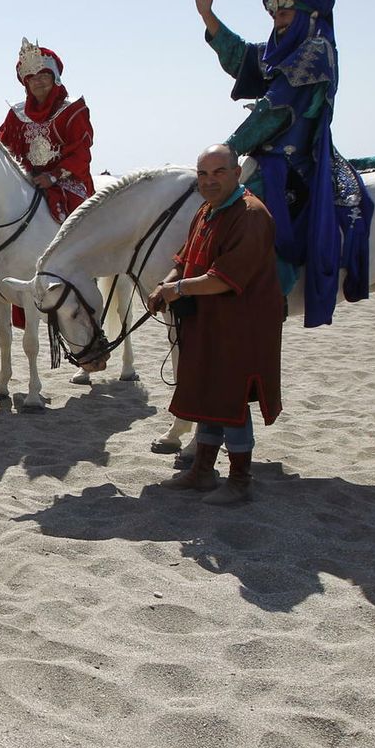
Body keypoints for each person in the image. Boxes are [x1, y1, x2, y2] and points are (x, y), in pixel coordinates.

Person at [190, 0, 369, 327]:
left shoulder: (316, 52)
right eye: (273, 16)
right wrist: (207, 16)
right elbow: (242, 57)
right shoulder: (281, 50)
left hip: (295, 160)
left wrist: (230, 148)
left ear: (308, 15)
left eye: (284, 14)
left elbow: (276, 107)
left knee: (260, 217)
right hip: (265, 155)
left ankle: (274, 294)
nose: (277, 22)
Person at [148, 145, 283, 505]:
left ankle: (240, 480)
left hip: (241, 325)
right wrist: (167, 280)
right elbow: (184, 258)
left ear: (236, 174)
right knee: (206, 391)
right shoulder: (206, 211)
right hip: (208, 322)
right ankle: (202, 472)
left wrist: (176, 289)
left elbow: (223, 278)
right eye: (203, 174)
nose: (209, 181)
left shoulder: (250, 215)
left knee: (230, 398)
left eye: (218, 172)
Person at [0, 38, 95, 225]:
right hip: (27, 180)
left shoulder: (72, 110)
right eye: (31, 78)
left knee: (78, 225)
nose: (37, 82)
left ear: (54, 77)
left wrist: (53, 176)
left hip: (67, 182)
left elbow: (81, 153)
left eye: (43, 76)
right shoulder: (17, 114)